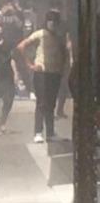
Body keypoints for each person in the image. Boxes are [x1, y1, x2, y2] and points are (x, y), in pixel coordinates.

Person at [16, 9, 69, 144]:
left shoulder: (59, 37)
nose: (52, 24)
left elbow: (64, 54)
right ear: (46, 22)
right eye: (50, 21)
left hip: (55, 73)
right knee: (41, 103)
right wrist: (30, 64)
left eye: (54, 21)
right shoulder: (40, 34)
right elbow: (21, 46)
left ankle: (50, 132)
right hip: (42, 73)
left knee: (51, 104)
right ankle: (38, 132)